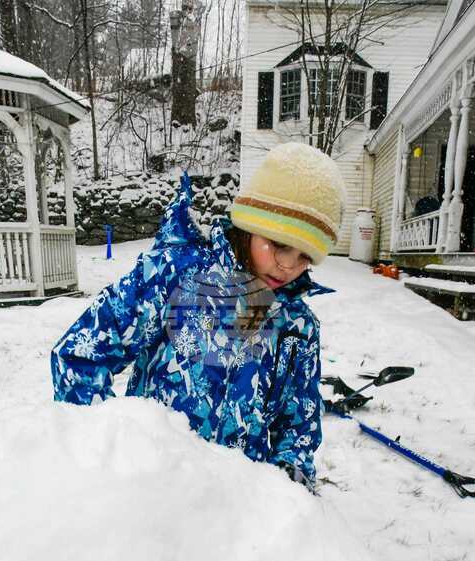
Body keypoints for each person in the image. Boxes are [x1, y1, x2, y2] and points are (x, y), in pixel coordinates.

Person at [51, 142, 347, 490]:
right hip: (149, 491)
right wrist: (115, 457)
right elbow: (81, 355)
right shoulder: (175, 276)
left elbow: (297, 426)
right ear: (249, 225)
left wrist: (287, 489)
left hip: (231, 510)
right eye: (279, 245)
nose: (288, 265)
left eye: (305, 257)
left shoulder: (297, 327)